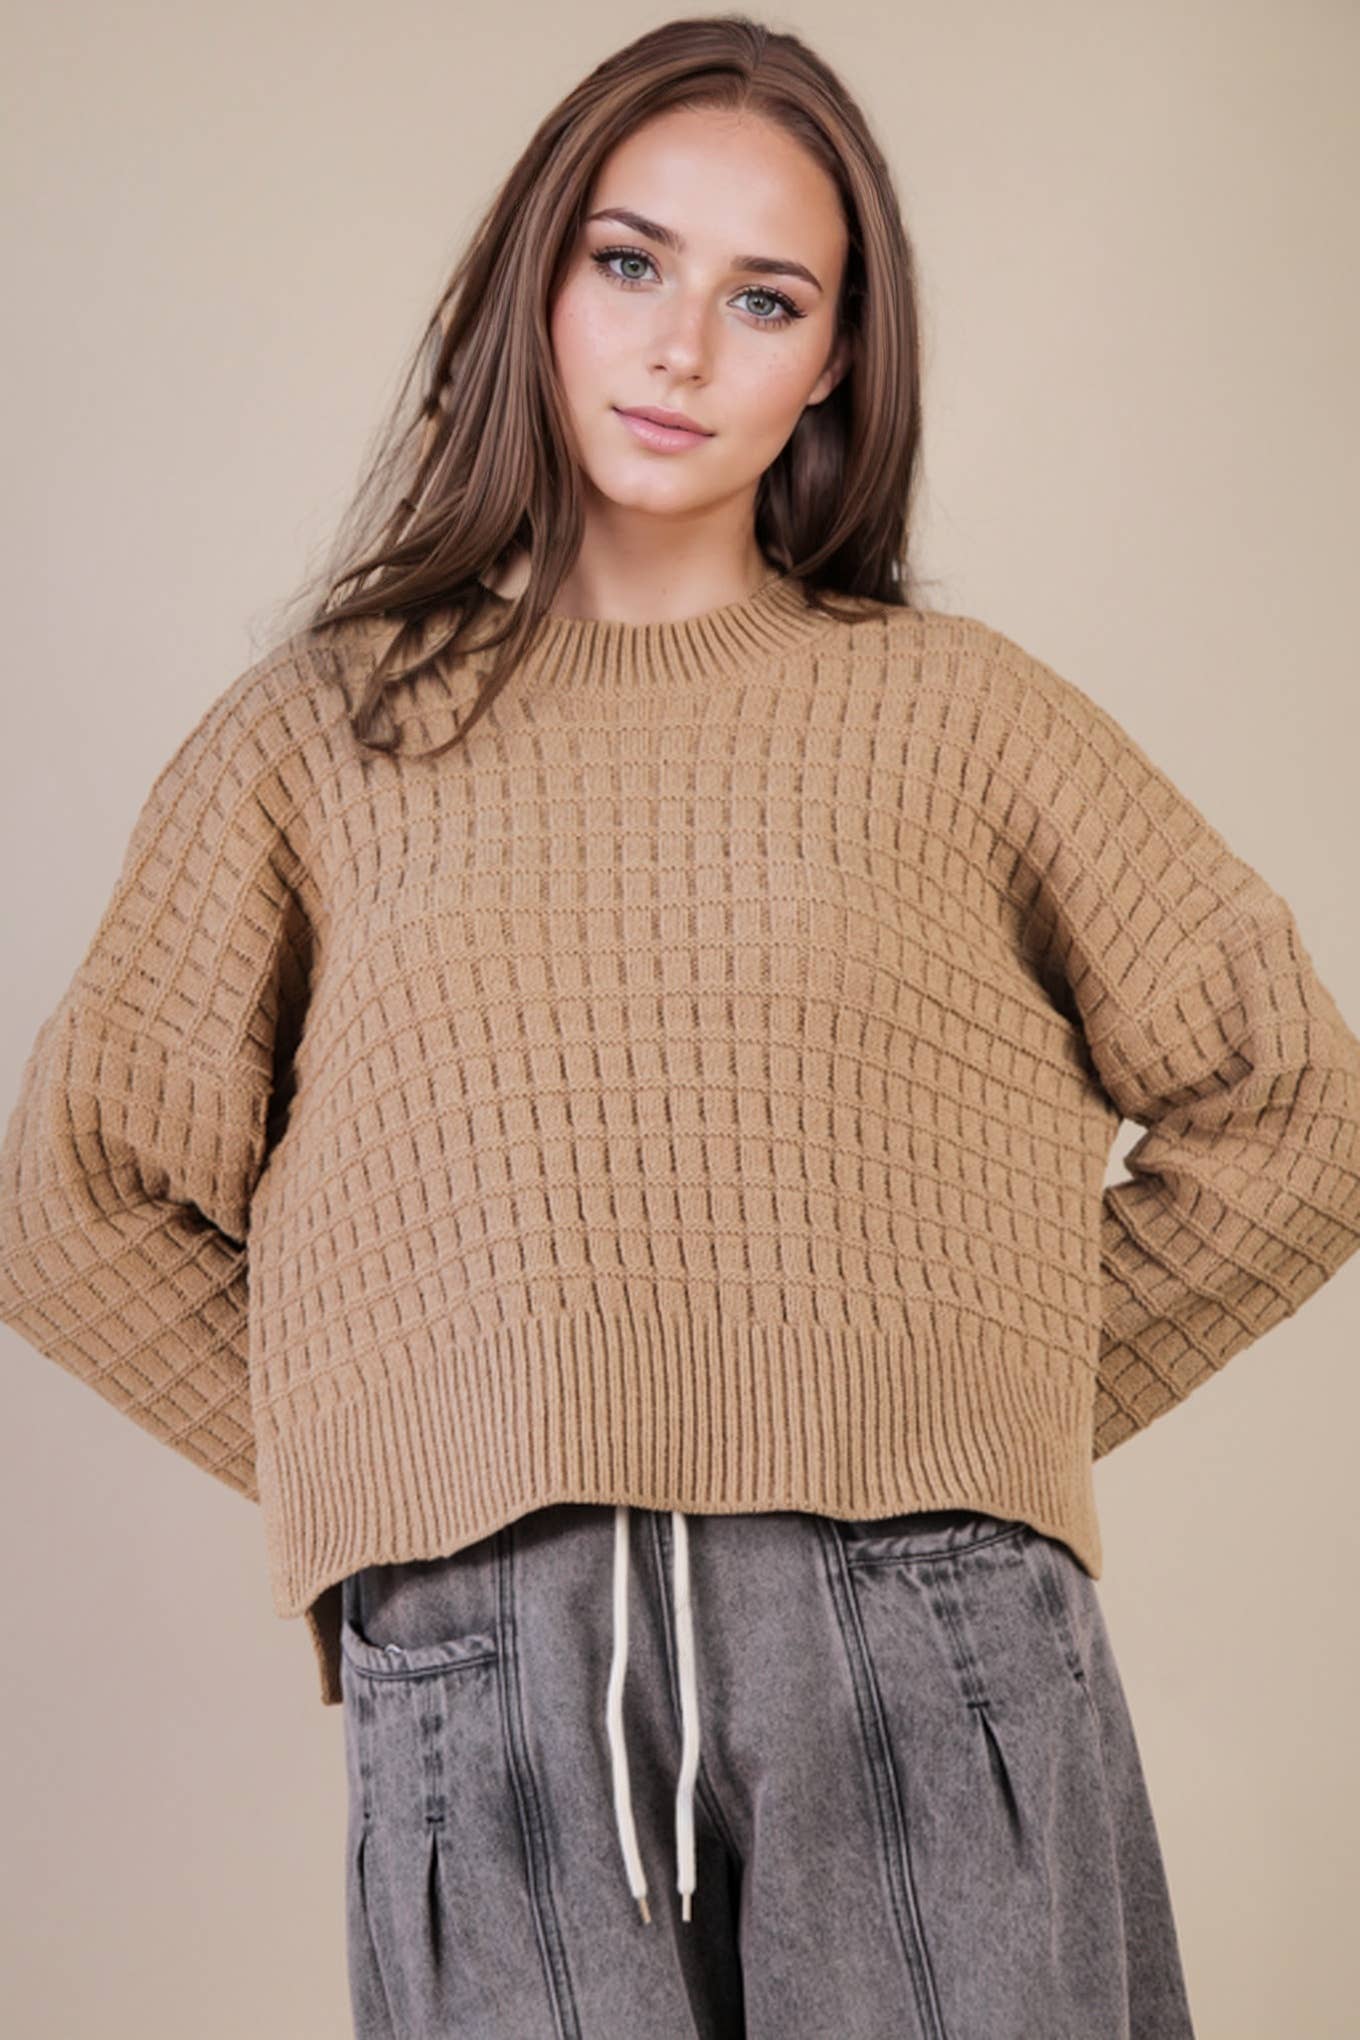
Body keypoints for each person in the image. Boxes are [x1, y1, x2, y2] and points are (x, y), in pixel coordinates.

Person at [2, 16, 1357, 2039]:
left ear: (833, 360)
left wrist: (974, 1389)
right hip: (486, 1649)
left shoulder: (957, 715)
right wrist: (396, 1448)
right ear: (530, 278)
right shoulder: (315, 742)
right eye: (629, 261)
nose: (681, 346)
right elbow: (75, 1204)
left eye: (766, 297)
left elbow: (1294, 1106)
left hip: (915, 1621)